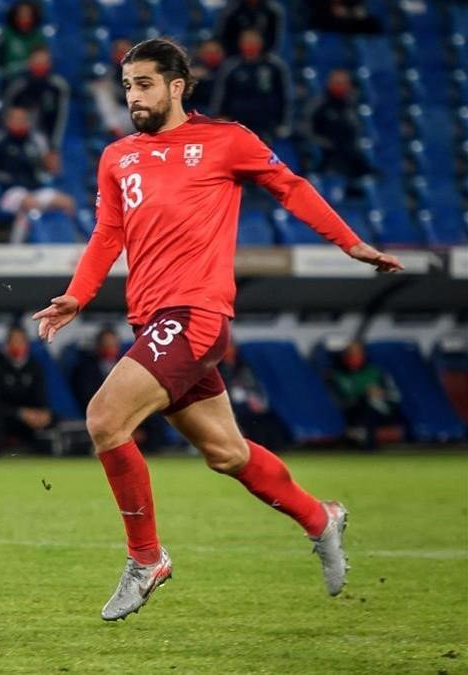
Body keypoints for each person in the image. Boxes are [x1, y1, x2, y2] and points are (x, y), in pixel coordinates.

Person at [30, 38, 403, 622]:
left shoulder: (226, 140)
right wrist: (78, 296)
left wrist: (350, 243)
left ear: (177, 87)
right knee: (227, 453)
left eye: (145, 84)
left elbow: (292, 187)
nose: (134, 96)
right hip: (154, 320)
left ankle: (145, 559)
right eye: (127, 86)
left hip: (195, 316)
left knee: (105, 418)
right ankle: (319, 517)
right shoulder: (117, 157)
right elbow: (108, 235)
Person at [0, 106, 76, 242]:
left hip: (35, 189)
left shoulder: (36, 139)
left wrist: (51, 164)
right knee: (29, 204)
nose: (21, 122)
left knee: (67, 202)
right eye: (17, 119)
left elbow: (47, 169)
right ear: (8, 121)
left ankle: (71, 246)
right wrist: (11, 181)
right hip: (8, 191)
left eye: (24, 119)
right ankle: (22, 249)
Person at [72, 327, 168, 453]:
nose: (110, 348)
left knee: (155, 420)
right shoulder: (87, 367)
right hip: (101, 411)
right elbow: (86, 395)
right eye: (106, 344)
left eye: (113, 344)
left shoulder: (127, 364)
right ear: (98, 346)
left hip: (129, 413)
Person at [0, 325, 53, 453]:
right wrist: (20, 413)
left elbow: (41, 397)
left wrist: (41, 414)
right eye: (14, 341)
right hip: (3, 416)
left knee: (52, 419)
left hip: (27, 418)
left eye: (21, 341)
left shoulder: (34, 367)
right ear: (7, 344)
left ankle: (45, 455)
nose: (17, 346)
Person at [212, 29, 291, 141]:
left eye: (253, 42)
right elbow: (222, 94)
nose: (250, 45)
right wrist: (220, 115)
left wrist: (283, 122)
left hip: (265, 122)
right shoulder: (231, 66)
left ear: (261, 43)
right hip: (237, 120)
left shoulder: (274, 67)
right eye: (247, 42)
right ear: (241, 44)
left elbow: (283, 96)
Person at [328, 340, 401, 450]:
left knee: (373, 407)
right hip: (353, 410)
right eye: (351, 353)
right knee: (365, 406)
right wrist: (365, 392)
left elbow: (395, 395)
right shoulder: (338, 375)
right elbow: (345, 396)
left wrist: (382, 393)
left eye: (358, 353)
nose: (355, 357)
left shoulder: (375, 372)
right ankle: (363, 438)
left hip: (381, 409)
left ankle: (364, 436)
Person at [218, 342, 290, 451]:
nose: (230, 350)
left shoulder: (243, 365)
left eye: (231, 347)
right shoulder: (218, 367)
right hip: (227, 402)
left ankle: (271, 446)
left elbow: (253, 385)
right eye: (227, 347)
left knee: (267, 416)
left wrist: (256, 399)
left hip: (246, 401)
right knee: (246, 415)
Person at [304, 69, 372, 184]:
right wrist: (324, 143)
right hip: (327, 158)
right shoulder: (319, 106)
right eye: (337, 83)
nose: (341, 87)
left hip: (350, 156)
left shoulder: (351, 105)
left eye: (343, 83)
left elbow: (357, 130)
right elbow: (306, 130)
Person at [2, 46, 71, 150]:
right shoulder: (19, 85)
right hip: (15, 138)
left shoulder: (57, 87)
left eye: (43, 62)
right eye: (37, 61)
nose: (40, 65)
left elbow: (61, 118)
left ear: (49, 64)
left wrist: (54, 147)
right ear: (29, 62)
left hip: (46, 139)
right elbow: (6, 111)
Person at [89, 38, 136, 139]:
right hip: (125, 115)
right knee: (100, 88)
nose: (123, 56)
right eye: (119, 52)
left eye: (126, 52)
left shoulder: (145, 72)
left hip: (147, 115)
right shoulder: (111, 75)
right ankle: (115, 131)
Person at [0, 1, 47, 79]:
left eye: (28, 15)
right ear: (15, 16)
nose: (24, 18)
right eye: (21, 15)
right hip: (12, 79)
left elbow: (42, 61)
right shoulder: (6, 35)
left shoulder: (38, 36)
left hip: (35, 78)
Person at [217, 0, 284, 56]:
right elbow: (223, 38)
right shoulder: (231, 10)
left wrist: (257, 51)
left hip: (263, 57)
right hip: (235, 56)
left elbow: (273, 40)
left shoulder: (272, 11)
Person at [188, 40, 224, 116]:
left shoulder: (229, 68)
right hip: (197, 110)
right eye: (208, 52)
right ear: (200, 53)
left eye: (216, 52)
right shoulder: (192, 69)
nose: (212, 55)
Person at [308, 0, 382, 34]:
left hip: (352, 32)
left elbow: (361, 14)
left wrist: (350, 13)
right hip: (326, 32)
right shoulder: (319, 4)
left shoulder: (352, 2)